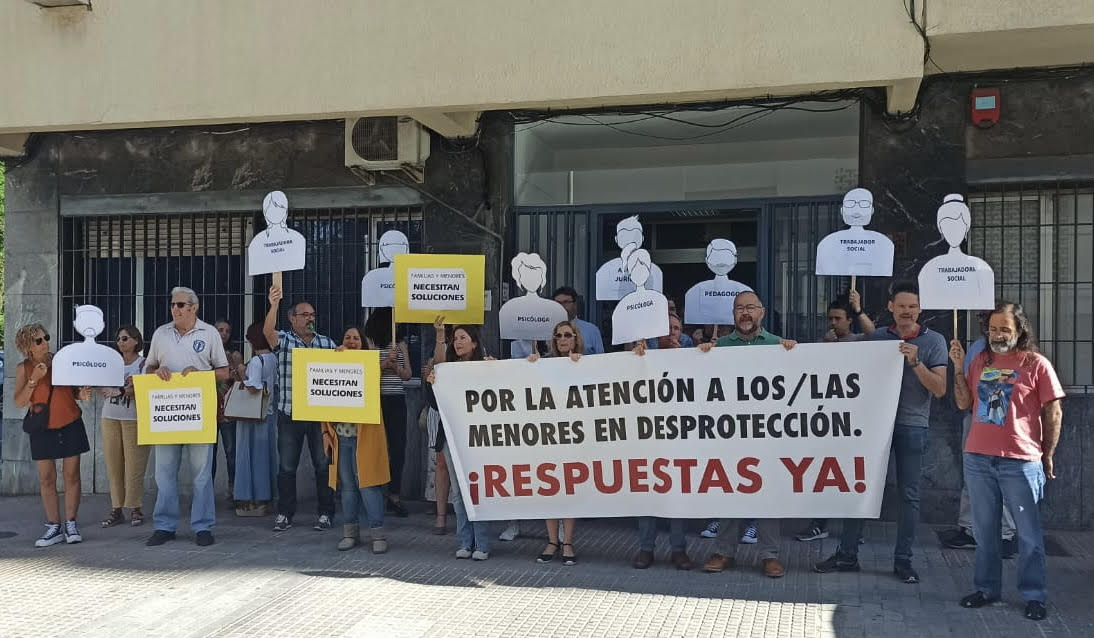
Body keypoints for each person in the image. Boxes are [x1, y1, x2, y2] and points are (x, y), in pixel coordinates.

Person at [815, 280, 948, 584]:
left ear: (920, 309)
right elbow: (839, 354)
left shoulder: (934, 341)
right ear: (891, 308)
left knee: (909, 496)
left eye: (913, 307)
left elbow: (939, 389)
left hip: (912, 425)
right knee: (860, 488)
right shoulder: (875, 338)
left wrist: (915, 363)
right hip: (873, 426)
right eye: (901, 306)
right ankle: (847, 555)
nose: (907, 312)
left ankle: (903, 561)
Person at [950, 301, 1063, 622]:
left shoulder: (1036, 363)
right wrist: (958, 367)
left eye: (1005, 329)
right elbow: (963, 403)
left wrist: (1048, 454)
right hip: (978, 459)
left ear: (1019, 331)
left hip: (1021, 462)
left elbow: (1053, 412)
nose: (998, 334)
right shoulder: (981, 361)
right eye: (993, 329)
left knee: (1028, 535)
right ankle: (986, 589)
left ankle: (1034, 595)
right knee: (985, 533)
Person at [696, 291, 795, 579]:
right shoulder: (721, 346)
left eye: (751, 307)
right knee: (729, 491)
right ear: (733, 314)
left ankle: (769, 555)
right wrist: (701, 357)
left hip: (767, 432)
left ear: (762, 312)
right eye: (740, 308)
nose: (746, 313)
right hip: (730, 433)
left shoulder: (778, 345)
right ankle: (723, 551)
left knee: (767, 493)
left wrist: (795, 355)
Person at [144, 287, 230, 547]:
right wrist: (156, 372)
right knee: (164, 472)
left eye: (181, 305)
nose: (175, 309)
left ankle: (203, 526)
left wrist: (201, 374)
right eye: (173, 304)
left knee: (202, 473)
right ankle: (164, 526)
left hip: (199, 412)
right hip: (167, 413)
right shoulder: (161, 333)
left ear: (194, 308)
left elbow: (224, 371)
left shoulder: (210, 333)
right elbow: (148, 367)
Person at [796, 291, 875, 542]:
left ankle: (853, 530)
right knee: (824, 474)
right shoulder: (825, 342)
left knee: (853, 475)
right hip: (828, 420)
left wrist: (859, 309)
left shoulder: (861, 340)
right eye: (830, 318)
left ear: (849, 320)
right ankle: (819, 523)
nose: (832, 323)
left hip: (855, 419)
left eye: (837, 318)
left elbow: (878, 336)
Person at [263, 284, 338, 532]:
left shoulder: (327, 343)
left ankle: (326, 513)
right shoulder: (284, 340)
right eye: (304, 315)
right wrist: (274, 304)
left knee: (322, 465)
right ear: (292, 318)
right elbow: (267, 331)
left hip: (318, 416)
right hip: (290, 413)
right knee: (287, 467)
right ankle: (285, 514)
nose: (310, 319)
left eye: (312, 315)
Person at [14, 323, 93, 547]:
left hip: (70, 422)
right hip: (42, 428)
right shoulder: (24, 368)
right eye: (39, 340)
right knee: (46, 479)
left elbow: (73, 390)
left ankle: (71, 523)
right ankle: (53, 526)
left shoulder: (61, 359)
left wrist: (82, 393)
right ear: (28, 346)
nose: (45, 342)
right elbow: (19, 402)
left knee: (72, 475)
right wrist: (34, 379)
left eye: (46, 337)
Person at [940, 333, 1017, 557]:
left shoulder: (1008, 349)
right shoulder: (978, 346)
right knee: (971, 474)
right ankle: (970, 528)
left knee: (992, 477)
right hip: (973, 414)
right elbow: (965, 386)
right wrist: (957, 364)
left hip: (995, 415)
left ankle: (1004, 534)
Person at [425, 318, 494, 560]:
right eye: (455, 339)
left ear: (475, 344)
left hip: (477, 437)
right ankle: (465, 542)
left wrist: (496, 371)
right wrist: (433, 382)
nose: (458, 343)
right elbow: (436, 402)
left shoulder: (486, 368)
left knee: (477, 489)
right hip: (451, 436)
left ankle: (482, 544)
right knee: (458, 492)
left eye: (463, 338)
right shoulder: (447, 369)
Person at [322, 325, 392, 553]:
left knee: (368, 486)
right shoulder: (332, 363)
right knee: (348, 488)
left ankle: (377, 535)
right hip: (341, 438)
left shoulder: (369, 365)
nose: (351, 341)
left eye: (355, 338)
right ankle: (350, 534)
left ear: (362, 343)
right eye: (347, 338)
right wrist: (325, 432)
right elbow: (322, 397)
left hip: (365, 439)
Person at [527, 320, 584, 566]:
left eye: (567, 335)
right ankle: (552, 541)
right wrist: (528, 368)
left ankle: (568, 542)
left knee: (569, 489)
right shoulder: (543, 362)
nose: (562, 339)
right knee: (549, 489)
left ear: (575, 338)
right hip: (548, 434)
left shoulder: (587, 363)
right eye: (558, 335)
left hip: (574, 435)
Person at [98, 325, 150, 528]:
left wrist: (119, 390)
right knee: (113, 464)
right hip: (110, 416)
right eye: (119, 339)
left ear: (136, 340)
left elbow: (139, 388)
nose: (121, 342)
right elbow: (101, 385)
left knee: (134, 464)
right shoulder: (112, 363)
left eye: (125, 338)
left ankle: (135, 507)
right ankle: (116, 508)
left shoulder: (144, 363)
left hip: (134, 418)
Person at [363, 308, 413, 518]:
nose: (399, 325)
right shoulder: (369, 341)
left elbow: (408, 375)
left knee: (397, 447)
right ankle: (373, 494)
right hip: (376, 399)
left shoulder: (400, 344)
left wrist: (397, 368)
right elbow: (364, 371)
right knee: (375, 448)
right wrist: (384, 364)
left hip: (396, 399)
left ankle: (394, 494)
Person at [232, 322, 278, 517]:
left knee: (249, 457)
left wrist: (241, 369)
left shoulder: (257, 361)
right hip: (269, 413)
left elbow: (253, 387)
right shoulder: (274, 358)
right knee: (266, 457)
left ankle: (251, 500)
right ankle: (267, 498)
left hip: (252, 415)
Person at [212, 319, 243, 499]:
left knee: (231, 452)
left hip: (228, 410)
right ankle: (206, 492)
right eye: (220, 330)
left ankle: (233, 490)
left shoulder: (234, 354)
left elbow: (241, 381)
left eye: (227, 331)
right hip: (209, 409)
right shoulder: (206, 354)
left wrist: (235, 371)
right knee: (209, 456)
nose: (224, 334)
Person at [551, 286, 605, 355]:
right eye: (558, 303)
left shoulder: (591, 330)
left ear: (575, 304)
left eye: (566, 302)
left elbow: (600, 360)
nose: (562, 306)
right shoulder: (545, 330)